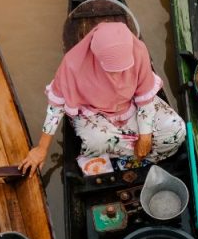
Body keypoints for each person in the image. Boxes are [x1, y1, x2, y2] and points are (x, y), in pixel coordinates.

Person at [19, 21, 186, 176]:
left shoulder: (139, 50)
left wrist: (145, 136)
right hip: (94, 113)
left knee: (176, 130)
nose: (118, 76)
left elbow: (144, 98)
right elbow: (56, 106)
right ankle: (126, 155)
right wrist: (41, 149)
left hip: (130, 106)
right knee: (96, 142)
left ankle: (129, 157)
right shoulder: (73, 64)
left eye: (123, 69)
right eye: (111, 70)